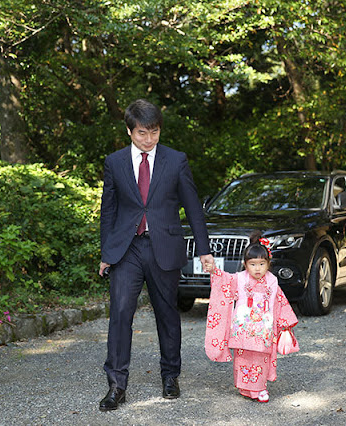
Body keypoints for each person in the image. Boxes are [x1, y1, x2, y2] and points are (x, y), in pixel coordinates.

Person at [98, 99, 214, 411]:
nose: (148, 139)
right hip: (127, 249)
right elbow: (107, 211)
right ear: (129, 131)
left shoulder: (176, 161)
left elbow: (192, 207)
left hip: (164, 247)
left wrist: (204, 250)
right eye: (141, 133)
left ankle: (170, 376)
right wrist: (106, 253)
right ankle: (116, 385)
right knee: (121, 313)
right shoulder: (115, 162)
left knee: (167, 314)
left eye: (154, 132)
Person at [203, 231, 299, 403]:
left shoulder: (272, 282)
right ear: (245, 264)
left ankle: (260, 388)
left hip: (263, 329)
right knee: (243, 357)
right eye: (252, 264)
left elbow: (280, 302)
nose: (257, 268)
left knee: (260, 357)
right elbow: (223, 281)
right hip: (243, 328)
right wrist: (215, 271)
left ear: (268, 264)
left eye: (262, 264)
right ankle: (246, 387)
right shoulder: (239, 279)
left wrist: (285, 323)